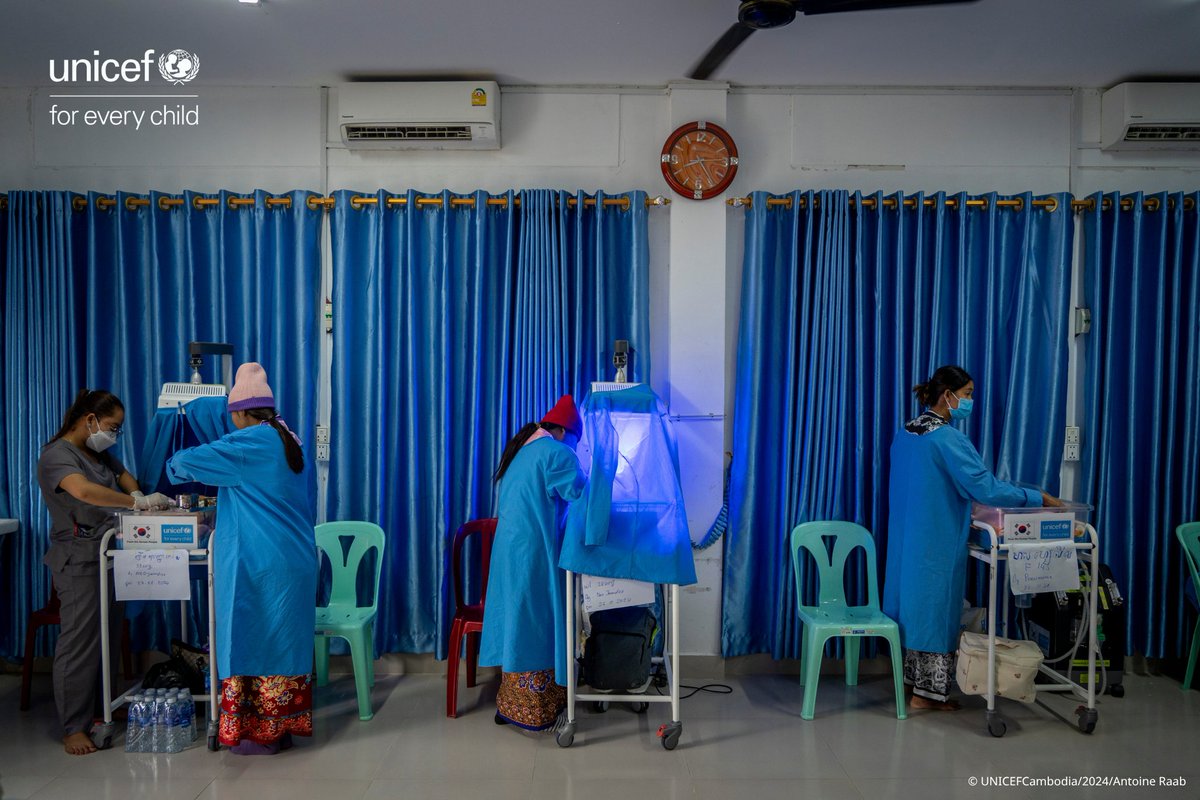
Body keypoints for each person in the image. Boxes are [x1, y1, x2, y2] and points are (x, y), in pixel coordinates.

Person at [883, 365, 1062, 711]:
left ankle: (910, 684)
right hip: (935, 543)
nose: (970, 401)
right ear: (947, 395)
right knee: (935, 613)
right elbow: (986, 488)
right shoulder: (946, 438)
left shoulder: (907, 432)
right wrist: (1038, 497)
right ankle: (926, 696)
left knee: (912, 611)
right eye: (967, 394)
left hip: (906, 541)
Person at [166, 363, 317, 755]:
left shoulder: (248, 443)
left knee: (249, 640)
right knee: (282, 645)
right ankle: (281, 727)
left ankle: (257, 732)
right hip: (294, 560)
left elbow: (183, 463)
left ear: (239, 413)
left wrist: (184, 419)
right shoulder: (287, 436)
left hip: (261, 564)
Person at [37, 389, 174, 755]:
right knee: (80, 643)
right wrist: (135, 503)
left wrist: (140, 496)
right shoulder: (56, 456)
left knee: (107, 638)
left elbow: (124, 476)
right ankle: (73, 727)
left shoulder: (96, 453)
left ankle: (103, 711)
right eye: (112, 427)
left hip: (109, 554)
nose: (114, 434)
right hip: (78, 559)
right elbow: (84, 491)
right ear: (90, 420)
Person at [479, 395, 586, 732]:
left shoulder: (522, 450)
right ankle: (539, 708)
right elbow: (582, 496)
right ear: (565, 432)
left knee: (517, 619)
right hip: (534, 553)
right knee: (537, 621)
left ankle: (510, 703)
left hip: (509, 552)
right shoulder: (557, 453)